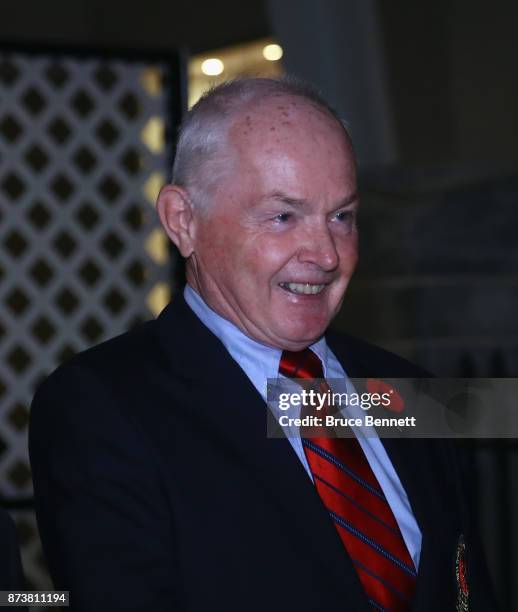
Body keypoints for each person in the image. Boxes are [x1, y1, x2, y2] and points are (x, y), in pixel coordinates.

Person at [29, 77, 497, 611]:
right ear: (183, 221)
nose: (325, 253)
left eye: (341, 216)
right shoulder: (102, 409)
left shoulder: (412, 394)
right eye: (283, 216)